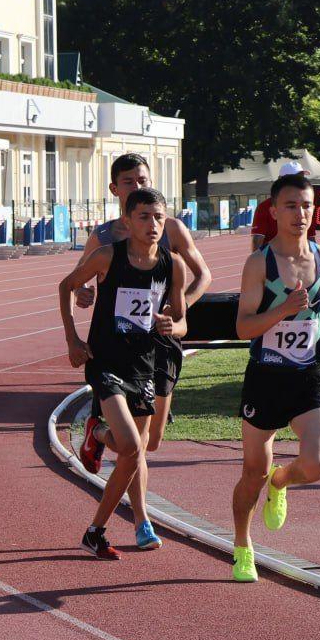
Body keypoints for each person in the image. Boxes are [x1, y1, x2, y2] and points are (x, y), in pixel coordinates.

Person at [59, 188, 187, 559]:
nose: (152, 225)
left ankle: (95, 530)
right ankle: (100, 434)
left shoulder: (172, 265)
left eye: (159, 218)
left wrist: (171, 327)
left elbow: (181, 321)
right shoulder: (107, 257)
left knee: (134, 453)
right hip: (106, 363)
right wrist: (73, 339)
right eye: (144, 217)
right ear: (128, 221)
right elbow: (65, 286)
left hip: (143, 365)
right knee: (131, 446)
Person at [229, 172, 320, 583]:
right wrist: (283, 309)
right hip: (266, 377)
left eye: (307, 206)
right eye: (291, 206)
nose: (300, 214)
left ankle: (283, 481)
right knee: (252, 472)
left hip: (309, 374)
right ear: (274, 211)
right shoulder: (260, 263)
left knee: (318, 463)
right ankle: (242, 546)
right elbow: (243, 328)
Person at [74, 152, 211, 454]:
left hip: (161, 340)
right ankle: (103, 442)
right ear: (115, 190)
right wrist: (83, 293)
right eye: (128, 182)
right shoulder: (103, 236)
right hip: (117, 345)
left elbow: (204, 276)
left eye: (143, 180)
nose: (136, 186)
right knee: (135, 442)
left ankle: (99, 435)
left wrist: (178, 309)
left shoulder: (171, 228)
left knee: (153, 442)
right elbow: (78, 280)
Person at [250, 161, 315, 252]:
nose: (302, 181)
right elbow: (257, 239)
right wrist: (259, 262)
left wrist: (315, 259)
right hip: (273, 259)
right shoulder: (264, 207)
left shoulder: (307, 208)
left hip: (300, 260)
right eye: (297, 178)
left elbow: (311, 238)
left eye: (302, 177)